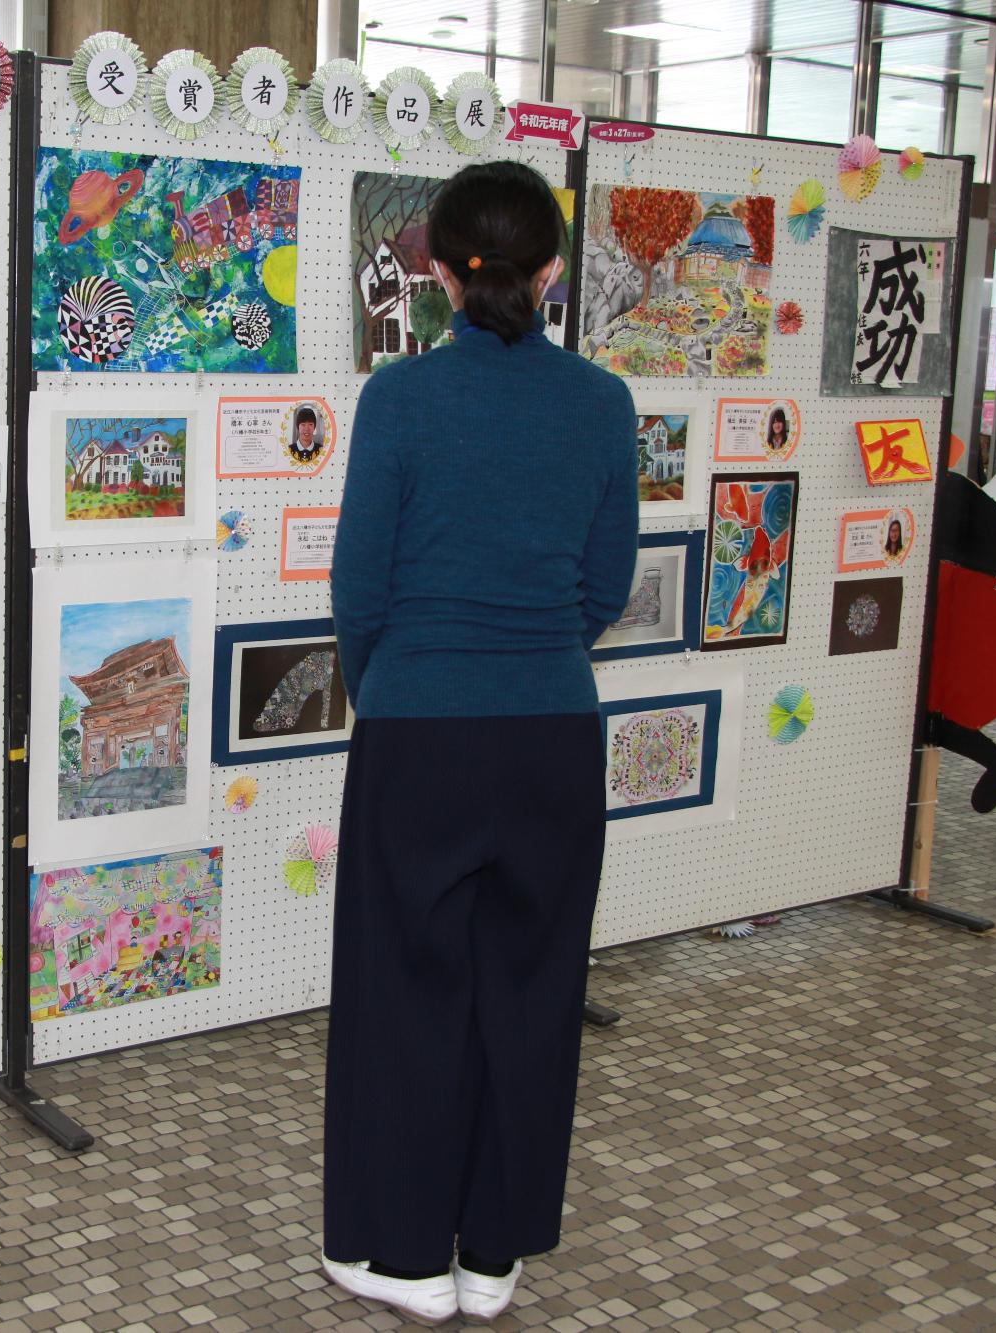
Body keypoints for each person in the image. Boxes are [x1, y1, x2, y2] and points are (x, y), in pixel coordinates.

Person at [324, 160, 639, 1324]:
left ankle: (396, 1255)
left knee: (404, 988)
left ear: (441, 271)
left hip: (418, 732)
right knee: (531, 988)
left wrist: (391, 685)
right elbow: (603, 585)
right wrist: (532, 655)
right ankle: (489, 1256)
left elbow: (358, 589)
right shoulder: (601, 404)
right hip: (554, 733)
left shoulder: (400, 400)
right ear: (551, 272)